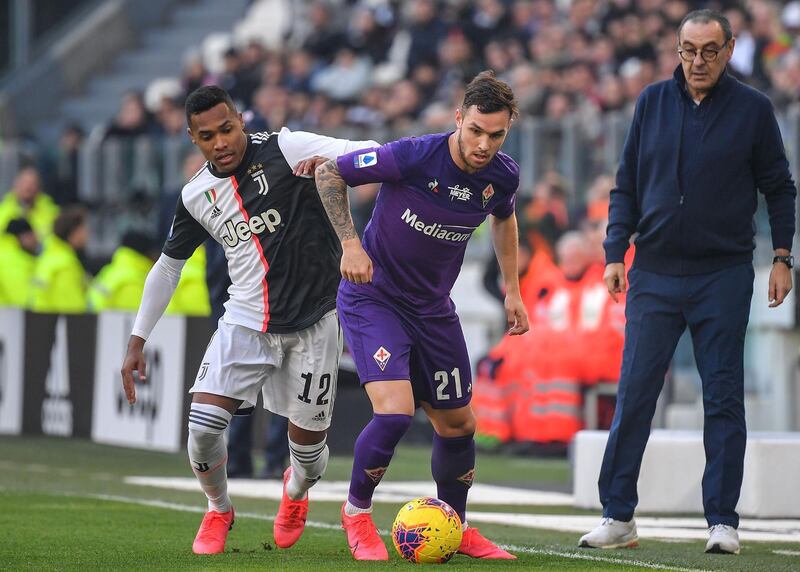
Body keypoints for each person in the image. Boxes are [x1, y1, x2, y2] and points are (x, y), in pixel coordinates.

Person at [119, 85, 378, 555]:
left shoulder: (286, 146)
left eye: (227, 129)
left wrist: (334, 166)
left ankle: (295, 494)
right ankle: (218, 508)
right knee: (201, 429)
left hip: (315, 322)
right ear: (192, 139)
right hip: (245, 321)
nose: (221, 142)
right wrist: (138, 338)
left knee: (309, 456)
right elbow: (168, 266)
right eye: (207, 136)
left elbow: (371, 152)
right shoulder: (196, 195)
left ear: (240, 121)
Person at [579, 10, 796, 555]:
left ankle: (722, 520)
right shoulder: (650, 101)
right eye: (688, 50)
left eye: (709, 51)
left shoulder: (754, 109)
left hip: (721, 275)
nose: (697, 61)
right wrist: (613, 251)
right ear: (677, 49)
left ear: (729, 51)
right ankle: (617, 515)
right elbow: (625, 182)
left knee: (722, 398)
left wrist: (783, 256)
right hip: (652, 271)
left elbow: (780, 187)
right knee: (634, 395)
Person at [315, 70, 529, 561]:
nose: (483, 144)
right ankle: (356, 514)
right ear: (459, 119)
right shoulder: (412, 155)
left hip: (433, 310)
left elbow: (505, 218)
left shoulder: (503, 175)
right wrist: (350, 244)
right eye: (475, 130)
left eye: (495, 135)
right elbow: (330, 173)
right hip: (374, 298)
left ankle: (455, 526)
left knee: (459, 425)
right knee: (393, 413)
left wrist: (512, 290)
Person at [29, 206, 90, 313]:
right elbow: (73, 309)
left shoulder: (48, 257)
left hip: (42, 323)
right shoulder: (65, 264)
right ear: (73, 233)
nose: (87, 234)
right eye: (83, 229)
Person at [88, 230, 159, 312]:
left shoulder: (108, 271)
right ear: (147, 254)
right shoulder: (132, 282)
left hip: (93, 323)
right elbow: (135, 321)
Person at [0, 167, 59, 241]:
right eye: (24, 183)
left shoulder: (52, 213)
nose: (28, 187)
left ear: (39, 188)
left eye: (32, 183)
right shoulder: (2, 211)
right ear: (16, 186)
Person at [0, 218, 39, 307]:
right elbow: (22, 298)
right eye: (32, 235)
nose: (36, 240)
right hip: (9, 317)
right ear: (23, 237)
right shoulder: (11, 260)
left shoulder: (8, 255)